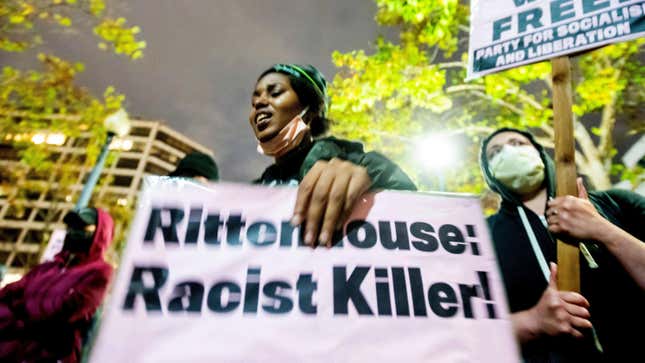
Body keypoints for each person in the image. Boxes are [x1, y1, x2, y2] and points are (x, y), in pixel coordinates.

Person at [480, 127, 645, 362]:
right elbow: (472, 336)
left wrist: (603, 230)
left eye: (518, 144)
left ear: (539, 153)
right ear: (489, 174)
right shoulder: (482, 238)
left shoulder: (617, 203)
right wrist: (533, 321)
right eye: (495, 153)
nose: (508, 152)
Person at [250, 64, 416, 247]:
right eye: (254, 100)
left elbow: (420, 216)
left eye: (275, 93)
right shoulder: (250, 193)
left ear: (311, 110)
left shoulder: (366, 166)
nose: (259, 103)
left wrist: (369, 180)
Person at [0, 207, 115, 363]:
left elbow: (70, 311)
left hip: (51, 356)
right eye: (71, 226)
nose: (73, 231)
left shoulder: (100, 272)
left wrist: (22, 312)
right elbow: (6, 297)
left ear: (100, 233)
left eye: (82, 227)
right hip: (11, 353)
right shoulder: (46, 268)